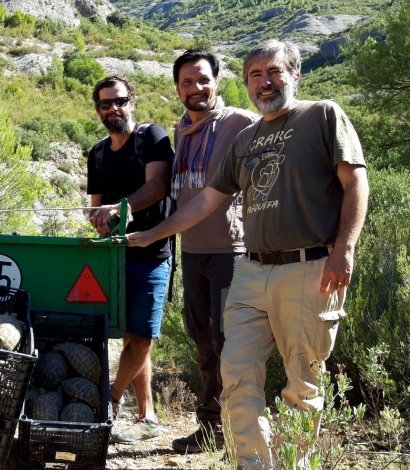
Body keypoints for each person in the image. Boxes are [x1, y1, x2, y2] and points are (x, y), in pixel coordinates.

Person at [126, 40, 369, 469]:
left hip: (310, 268)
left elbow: (356, 184)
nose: (265, 82)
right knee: (235, 374)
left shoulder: (322, 115)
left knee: (303, 383)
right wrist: (153, 234)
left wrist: (343, 251)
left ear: (295, 74)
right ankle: (254, 464)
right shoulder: (247, 139)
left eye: (274, 72)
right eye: (255, 75)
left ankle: (291, 463)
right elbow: (204, 202)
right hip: (253, 271)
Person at [168, 50, 259, 454]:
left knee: (231, 344)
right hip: (193, 250)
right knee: (203, 340)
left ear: (216, 82)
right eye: (187, 81)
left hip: (231, 252)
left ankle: (239, 434)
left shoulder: (240, 122)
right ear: (177, 88)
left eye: (203, 80)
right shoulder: (181, 131)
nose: (196, 88)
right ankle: (209, 429)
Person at [86, 75, 174, 443]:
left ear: (131, 101)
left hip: (153, 252)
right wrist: (99, 220)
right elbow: (94, 207)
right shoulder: (97, 154)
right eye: (105, 104)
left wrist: (119, 209)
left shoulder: (152, 137)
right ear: (98, 111)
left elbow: (157, 186)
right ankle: (148, 415)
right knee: (130, 336)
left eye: (119, 101)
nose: (113, 109)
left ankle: (110, 400)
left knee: (142, 339)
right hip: (114, 259)